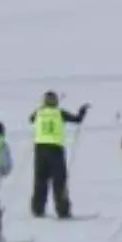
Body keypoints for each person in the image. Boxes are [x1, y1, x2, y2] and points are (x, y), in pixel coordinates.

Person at [29, 91, 89, 219]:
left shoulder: (38, 112)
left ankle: (37, 209)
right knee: (59, 180)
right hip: (55, 149)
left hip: (40, 149)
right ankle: (63, 210)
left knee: (40, 180)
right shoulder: (59, 113)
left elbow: (31, 119)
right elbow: (77, 120)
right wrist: (82, 111)